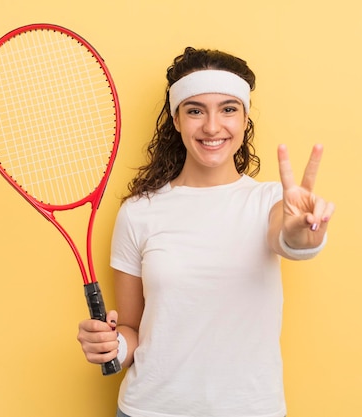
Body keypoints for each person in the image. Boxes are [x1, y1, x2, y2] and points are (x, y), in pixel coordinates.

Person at [77, 46, 335, 417]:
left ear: (245, 119)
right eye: (195, 110)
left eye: (228, 109)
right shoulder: (138, 212)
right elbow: (133, 330)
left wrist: (304, 235)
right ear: (177, 120)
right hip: (150, 410)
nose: (212, 126)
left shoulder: (270, 202)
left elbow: (288, 237)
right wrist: (112, 347)